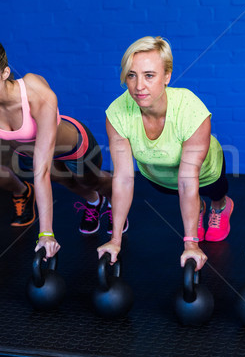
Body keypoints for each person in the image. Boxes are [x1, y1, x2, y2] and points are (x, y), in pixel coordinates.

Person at [0, 35, 115, 257]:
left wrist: (46, 234)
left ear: (5, 73)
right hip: (30, 154)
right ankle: (96, 202)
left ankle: (117, 201)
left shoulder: (34, 91)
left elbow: (42, 171)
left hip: (74, 147)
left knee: (89, 180)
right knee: (70, 184)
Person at [97, 36, 234, 271]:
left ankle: (220, 206)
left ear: (167, 77)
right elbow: (123, 178)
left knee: (214, 191)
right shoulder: (117, 112)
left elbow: (188, 179)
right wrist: (115, 240)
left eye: (149, 75)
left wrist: (190, 243)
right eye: (132, 75)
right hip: (159, 177)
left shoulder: (190, 109)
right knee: (182, 195)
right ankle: (197, 208)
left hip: (205, 173)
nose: (139, 86)